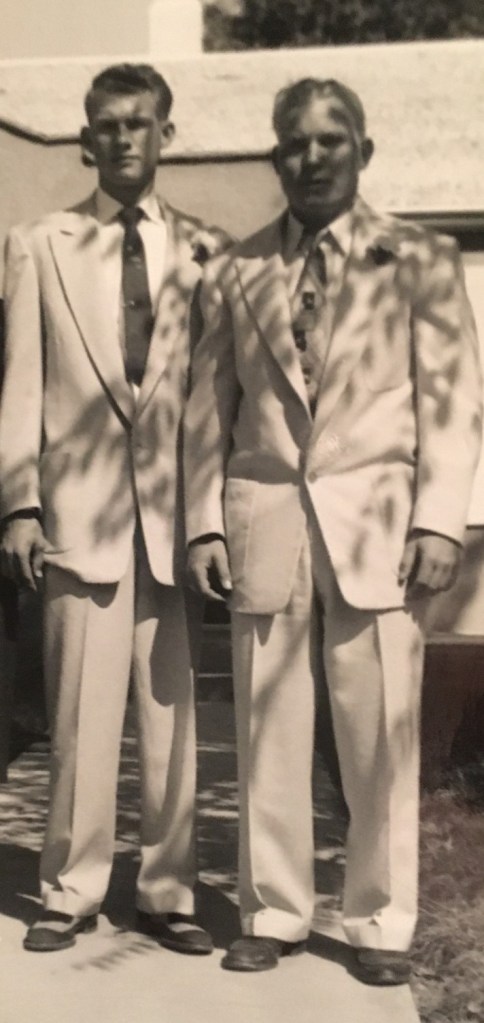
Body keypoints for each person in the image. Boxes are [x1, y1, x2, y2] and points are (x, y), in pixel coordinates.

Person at [184, 78, 482, 983]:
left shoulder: (421, 259)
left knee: (379, 731)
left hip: (381, 529)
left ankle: (381, 920)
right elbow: (208, 409)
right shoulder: (235, 270)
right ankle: (271, 909)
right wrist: (203, 525)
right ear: (275, 157)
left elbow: (453, 402)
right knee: (267, 727)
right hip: (265, 519)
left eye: (330, 141)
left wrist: (441, 520)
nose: (311, 159)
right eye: (294, 143)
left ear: (364, 151)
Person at [0, 63, 228, 953]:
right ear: (86, 138)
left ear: (166, 135)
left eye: (139, 122)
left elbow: (210, 406)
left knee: (173, 717)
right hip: (77, 514)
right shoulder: (39, 243)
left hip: (175, 523)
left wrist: (207, 522)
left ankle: (169, 891)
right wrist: (20, 505)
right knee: (78, 716)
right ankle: (70, 887)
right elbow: (21, 387)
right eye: (107, 123)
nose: (123, 136)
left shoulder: (207, 249)